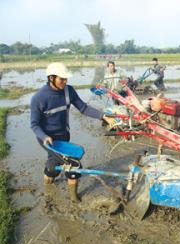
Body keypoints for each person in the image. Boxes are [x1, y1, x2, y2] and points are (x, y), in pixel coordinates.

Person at [30, 62, 116, 202]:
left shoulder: (68, 91)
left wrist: (103, 116)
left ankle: (58, 189)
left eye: (66, 79)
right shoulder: (39, 98)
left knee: (54, 165)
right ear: (51, 78)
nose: (65, 81)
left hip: (64, 136)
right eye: (61, 79)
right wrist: (44, 136)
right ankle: (69, 195)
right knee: (73, 164)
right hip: (48, 140)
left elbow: (83, 108)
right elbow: (34, 125)